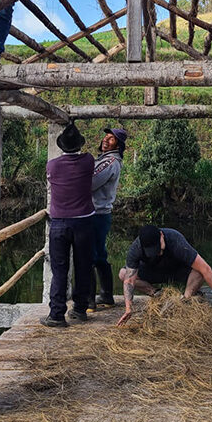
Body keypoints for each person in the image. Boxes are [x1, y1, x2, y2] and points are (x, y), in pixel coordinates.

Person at [117, 225, 212, 326]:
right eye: (153, 251)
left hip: (178, 270)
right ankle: (157, 294)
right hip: (153, 272)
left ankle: (185, 301)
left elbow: (206, 269)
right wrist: (128, 309)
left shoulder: (175, 239)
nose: (158, 253)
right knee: (123, 274)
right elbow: (129, 281)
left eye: (159, 249)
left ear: (161, 236)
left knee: (199, 271)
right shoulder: (136, 248)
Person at [41, 122, 95, 327]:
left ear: (62, 146)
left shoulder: (52, 165)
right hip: (84, 222)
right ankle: (80, 309)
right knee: (83, 267)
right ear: (79, 145)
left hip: (59, 222)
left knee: (59, 270)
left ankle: (56, 314)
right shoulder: (88, 161)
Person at [88, 127, 128, 312]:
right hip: (101, 214)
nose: (105, 140)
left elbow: (90, 183)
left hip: (96, 214)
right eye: (106, 136)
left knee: (89, 256)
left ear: (118, 145)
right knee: (100, 255)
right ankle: (106, 295)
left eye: (111, 139)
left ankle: (88, 302)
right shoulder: (106, 160)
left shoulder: (109, 162)